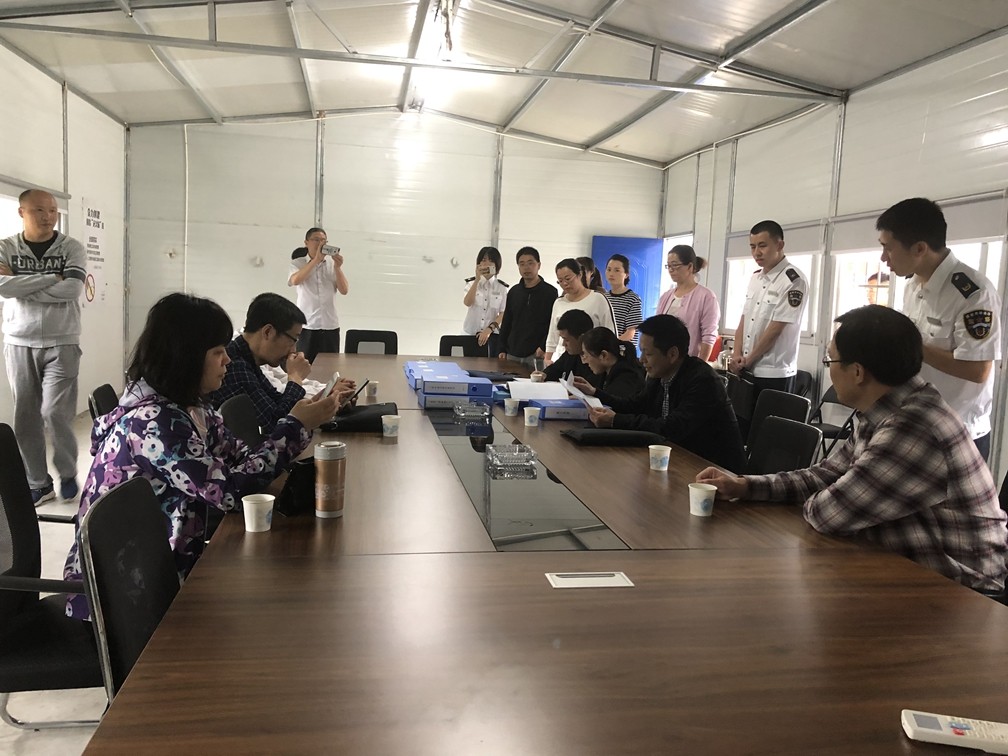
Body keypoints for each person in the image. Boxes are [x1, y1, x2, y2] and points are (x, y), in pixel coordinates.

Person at [62, 293, 343, 620]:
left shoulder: (192, 409)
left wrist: (297, 423)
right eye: (218, 352)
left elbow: (242, 456)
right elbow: (228, 492)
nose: (228, 360)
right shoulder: (154, 424)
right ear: (186, 357)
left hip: (164, 566)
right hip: (123, 598)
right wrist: (295, 426)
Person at [698, 305, 1006, 594]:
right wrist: (745, 485)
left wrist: (828, 493)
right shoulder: (887, 409)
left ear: (857, 372)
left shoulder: (913, 428)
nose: (829, 369)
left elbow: (829, 513)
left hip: (963, 595)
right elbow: (827, 473)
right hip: (905, 568)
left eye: (830, 360)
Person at [876, 197, 1002, 461]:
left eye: (888, 248)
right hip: (917, 422)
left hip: (958, 434)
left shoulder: (973, 294)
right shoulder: (913, 286)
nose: (883, 258)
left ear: (920, 248)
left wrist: (909, 344)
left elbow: (978, 370)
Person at [0, 189, 87, 504]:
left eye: (52, 210)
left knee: (55, 413)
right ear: (22, 212)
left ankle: (67, 471)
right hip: (19, 340)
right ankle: (38, 482)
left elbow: (72, 289)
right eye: (39, 210)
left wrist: (20, 285)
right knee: (25, 416)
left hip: (62, 340)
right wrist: (51, 277)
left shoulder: (71, 248)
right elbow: (1, 287)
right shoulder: (6, 247)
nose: (48, 216)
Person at [580, 315, 746, 472]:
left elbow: (672, 427)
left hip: (714, 469)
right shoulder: (660, 374)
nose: (641, 359)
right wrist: (596, 393)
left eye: (648, 353)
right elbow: (637, 405)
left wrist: (615, 420)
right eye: (641, 352)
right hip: (678, 458)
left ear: (672, 354)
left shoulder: (702, 380)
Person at [208, 292, 355, 429]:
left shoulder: (248, 359)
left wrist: (325, 400)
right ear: (268, 332)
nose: (293, 350)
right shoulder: (235, 366)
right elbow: (276, 425)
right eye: (293, 340)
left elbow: (278, 404)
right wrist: (295, 377)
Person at [729, 220, 807, 400]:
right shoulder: (755, 278)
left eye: (762, 245)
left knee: (769, 419)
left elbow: (776, 329)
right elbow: (744, 319)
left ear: (779, 245)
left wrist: (748, 360)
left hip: (774, 372)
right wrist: (736, 354)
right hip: (746, 368)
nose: (757, 252)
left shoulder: (794, 280)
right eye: (752, 246)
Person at [288, 227, 349, 361]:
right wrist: (315, 260)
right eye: (316, 240)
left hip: (330, 325)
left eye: (324, 241)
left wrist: (338, 268)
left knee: (330, 365)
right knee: (305, 363)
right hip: (307, 325)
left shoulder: (332, 264)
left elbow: (344, 290)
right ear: (306, 242)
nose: (321, 243)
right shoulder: (298, 263)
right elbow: (295, 280)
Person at [545, 258, 616, 365]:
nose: (565, 284)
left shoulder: (598, 299)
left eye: (568, 279)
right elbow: (553, 334)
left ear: (579, 274)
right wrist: (547, 358)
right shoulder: (559, 303)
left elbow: (610, 332)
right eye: (560, 281)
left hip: (591, 359)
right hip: (563, 359)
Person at [656, 244, 720, 361]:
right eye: (668, 266)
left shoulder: (706, 296)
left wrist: (700, 365)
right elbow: (657, 329)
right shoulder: (666, 296)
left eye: (675, 265)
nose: (671, 270)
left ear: (690, 266)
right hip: (664, 361)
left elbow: (708, 335)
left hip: (689, 361)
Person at [496, 247, 558, 366]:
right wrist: (502, 348)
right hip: (512, 353)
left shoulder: (550, 292)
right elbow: (507, 321)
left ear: (539, 265)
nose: (526, 267)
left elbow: (552, 324)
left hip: (536, 354)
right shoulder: (514, 292)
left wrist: (543, 347)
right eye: (522, 264)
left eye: (530, 263)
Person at [462, 246, 508, 356]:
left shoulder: (502, 288)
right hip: (470, 333)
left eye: (491, 260)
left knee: (490, 364)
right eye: (483, 260)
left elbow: (503, 313)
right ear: (478, 264)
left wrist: (489, 329)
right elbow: (467, 302)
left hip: (491, 336)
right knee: (467, 364)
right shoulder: (471, 283)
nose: (487, 264)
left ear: (497, 265)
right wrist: (477, 279)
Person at [575, 326, 645, 398]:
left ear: (603, 355)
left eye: (586, 355)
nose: (584, 362)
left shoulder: (625, 382)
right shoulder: (606, 373)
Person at [539, 309, 599, 387]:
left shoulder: (596, 361)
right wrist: (543, 374)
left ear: (582, 338)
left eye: (566, 340)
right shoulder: (570, 354)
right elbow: (554, 370)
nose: (563, 344)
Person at [603, 253, 643, 348]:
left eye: (617, 270)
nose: (611, 274)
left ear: (626, 274)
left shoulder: (633, 298)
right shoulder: (603, 297)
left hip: (623, 351)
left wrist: (611, 345)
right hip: (604, 350)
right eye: (609, 269)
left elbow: (630, 333)